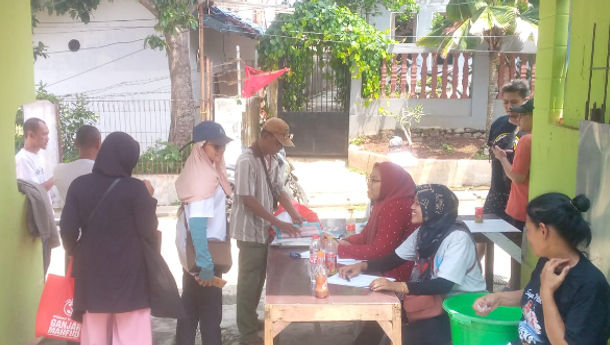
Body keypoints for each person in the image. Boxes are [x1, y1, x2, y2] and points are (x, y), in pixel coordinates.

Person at [339, 184, 485, 345]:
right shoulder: (424, 232)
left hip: (462, 308)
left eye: (417, 203)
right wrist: (361, 266)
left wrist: (397, 287)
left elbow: (444, 285)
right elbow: (393, 259)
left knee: (401, 338)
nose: (411, 207)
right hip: (436, 302)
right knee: (379, 316)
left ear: (434, 207)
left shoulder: (457, 238)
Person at [60, 132, 158, 345]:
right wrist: (148, 199)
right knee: (132, 334)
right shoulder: (136, 189)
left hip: (92, 275)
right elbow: (149, 230)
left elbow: (67, 230)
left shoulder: (79, 185)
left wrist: (76, 251)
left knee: (94, 335)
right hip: (131, 277)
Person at [474, 193, 610, 345]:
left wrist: (547, 293)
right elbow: (533, 295)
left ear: (543, 230)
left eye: (529, 230)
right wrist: (498, 298)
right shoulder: (548, 260)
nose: (528, 236)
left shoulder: (590, 285)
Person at [230, 117, 304, 345]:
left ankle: (252, 321)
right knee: (248, 283)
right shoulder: (246, 161)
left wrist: (293, 212)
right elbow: (247, 198)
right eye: (277, 143)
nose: (280, 148)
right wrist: (278, 222)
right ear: (265, 137)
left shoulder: (274, 159)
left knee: (260, 279)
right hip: (249, 231)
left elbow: (278, 189)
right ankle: (247, 332)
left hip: (265, 231)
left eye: (282, 144)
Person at [336, 161, 418, 345]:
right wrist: (342, 242)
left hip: (398, 270)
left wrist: (340, 249)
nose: (369, 184)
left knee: (349, 279)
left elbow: (381, 251)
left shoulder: (395, 205)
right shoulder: (384, 202)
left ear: (389, 183)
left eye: (375, 180)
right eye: (369, 179)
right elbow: (366, 236)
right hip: (387, 264)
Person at [174, 121, 233, 345]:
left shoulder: (200, 167)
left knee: (188, 312)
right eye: (215, 146)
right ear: (200, 146)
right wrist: (206, 266)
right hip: (205, 255)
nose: (220, 151)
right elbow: (198, 225)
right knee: (209, 317)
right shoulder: (203, 177)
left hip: (195, 255)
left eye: (223, 146)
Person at [492, 98, 534, 288]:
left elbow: (516, 176)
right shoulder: (539, 138)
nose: (519, 117)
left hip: (521, 206)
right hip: (533, 205)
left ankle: (514, 288)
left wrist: (501, 158)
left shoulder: (526, 140)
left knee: (517, 255)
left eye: (523, 114)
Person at [484, 80, 529, 220]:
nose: (509, 107)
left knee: (513, 238)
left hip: (517, 194)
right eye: (505, 102)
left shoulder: (528, 130)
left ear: (525, 100)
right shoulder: (499, 124)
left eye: (514, 102)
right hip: (496, 191)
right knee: (483, 235)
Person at [54, 125, 101, 207]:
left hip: (69, 218)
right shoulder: (103, 171)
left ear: (75, 143)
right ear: (98, 143)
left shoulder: (58, 170)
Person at [15, 117, 54, 190]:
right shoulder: (23, 159)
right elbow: (35, 191)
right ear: (31, 135)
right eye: (44, 134)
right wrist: (57, 177)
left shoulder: (37, 155)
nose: (48, 138)